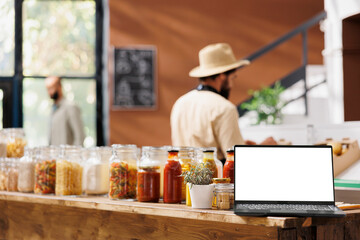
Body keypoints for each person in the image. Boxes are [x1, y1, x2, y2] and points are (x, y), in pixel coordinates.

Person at [171, 43, 276, 161]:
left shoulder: (180, 103)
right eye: (232, 78)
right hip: (215, 178)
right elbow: (236, 160)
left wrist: (243, 146)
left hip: (182, 178)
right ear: (222, 76)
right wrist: (264, 147)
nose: (232, 85)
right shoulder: (224, 108)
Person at [45, 76, 85, 146]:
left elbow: (80, 136)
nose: (50, 92)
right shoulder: (53, 109)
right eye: (48, 89)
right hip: (54, 155)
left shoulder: (71, 107)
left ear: (59, 86)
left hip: (68, 155)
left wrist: (74, 155)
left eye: (52, 88)